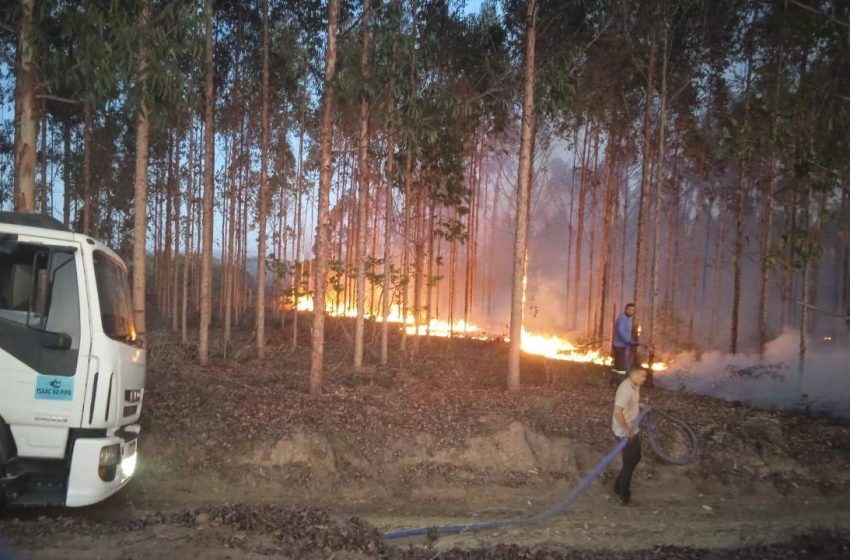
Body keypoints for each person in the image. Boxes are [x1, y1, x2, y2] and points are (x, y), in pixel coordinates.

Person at [612, 366, 647, 505]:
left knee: (636, 457)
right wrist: (627, 430)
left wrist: (640, 405)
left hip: (632, 428)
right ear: (633, 375)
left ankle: (618, 486)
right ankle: (624, 495)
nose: (644, 379)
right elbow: (617, 412)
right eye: (642, 376)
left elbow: (631, 403)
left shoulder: (634, 385)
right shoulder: (626, 390)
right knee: (629, 462)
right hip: (625, 431)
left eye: (645, 376)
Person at [610, 303, 639, 387]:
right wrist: (627, 340)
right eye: (629, 309)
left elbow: (626, 332)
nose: (631, 311)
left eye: (633, 310)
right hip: (620, 346)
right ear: (625, 309)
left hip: (621, 345)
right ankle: (620, 383)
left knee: (617, 365)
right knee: (621, 366)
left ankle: (613, 381)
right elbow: (620, 331)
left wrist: (631, 341)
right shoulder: (623, 318)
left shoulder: (626, 319)